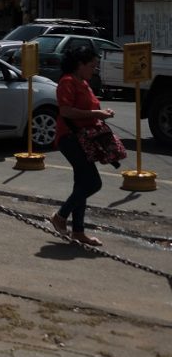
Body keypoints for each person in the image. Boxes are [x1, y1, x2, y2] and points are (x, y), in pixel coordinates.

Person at [50, 45, 112, 246]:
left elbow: (90, 107)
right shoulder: (67, 82)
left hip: (82, 139)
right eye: (92, 65)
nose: (95, 69)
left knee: (81, 183)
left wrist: (102, 113)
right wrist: (96, 114)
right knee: (93, 183)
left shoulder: (83, 83)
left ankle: (78, 231)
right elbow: (66, 111)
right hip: (69, 138)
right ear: (80, 65)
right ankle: (60, 216)